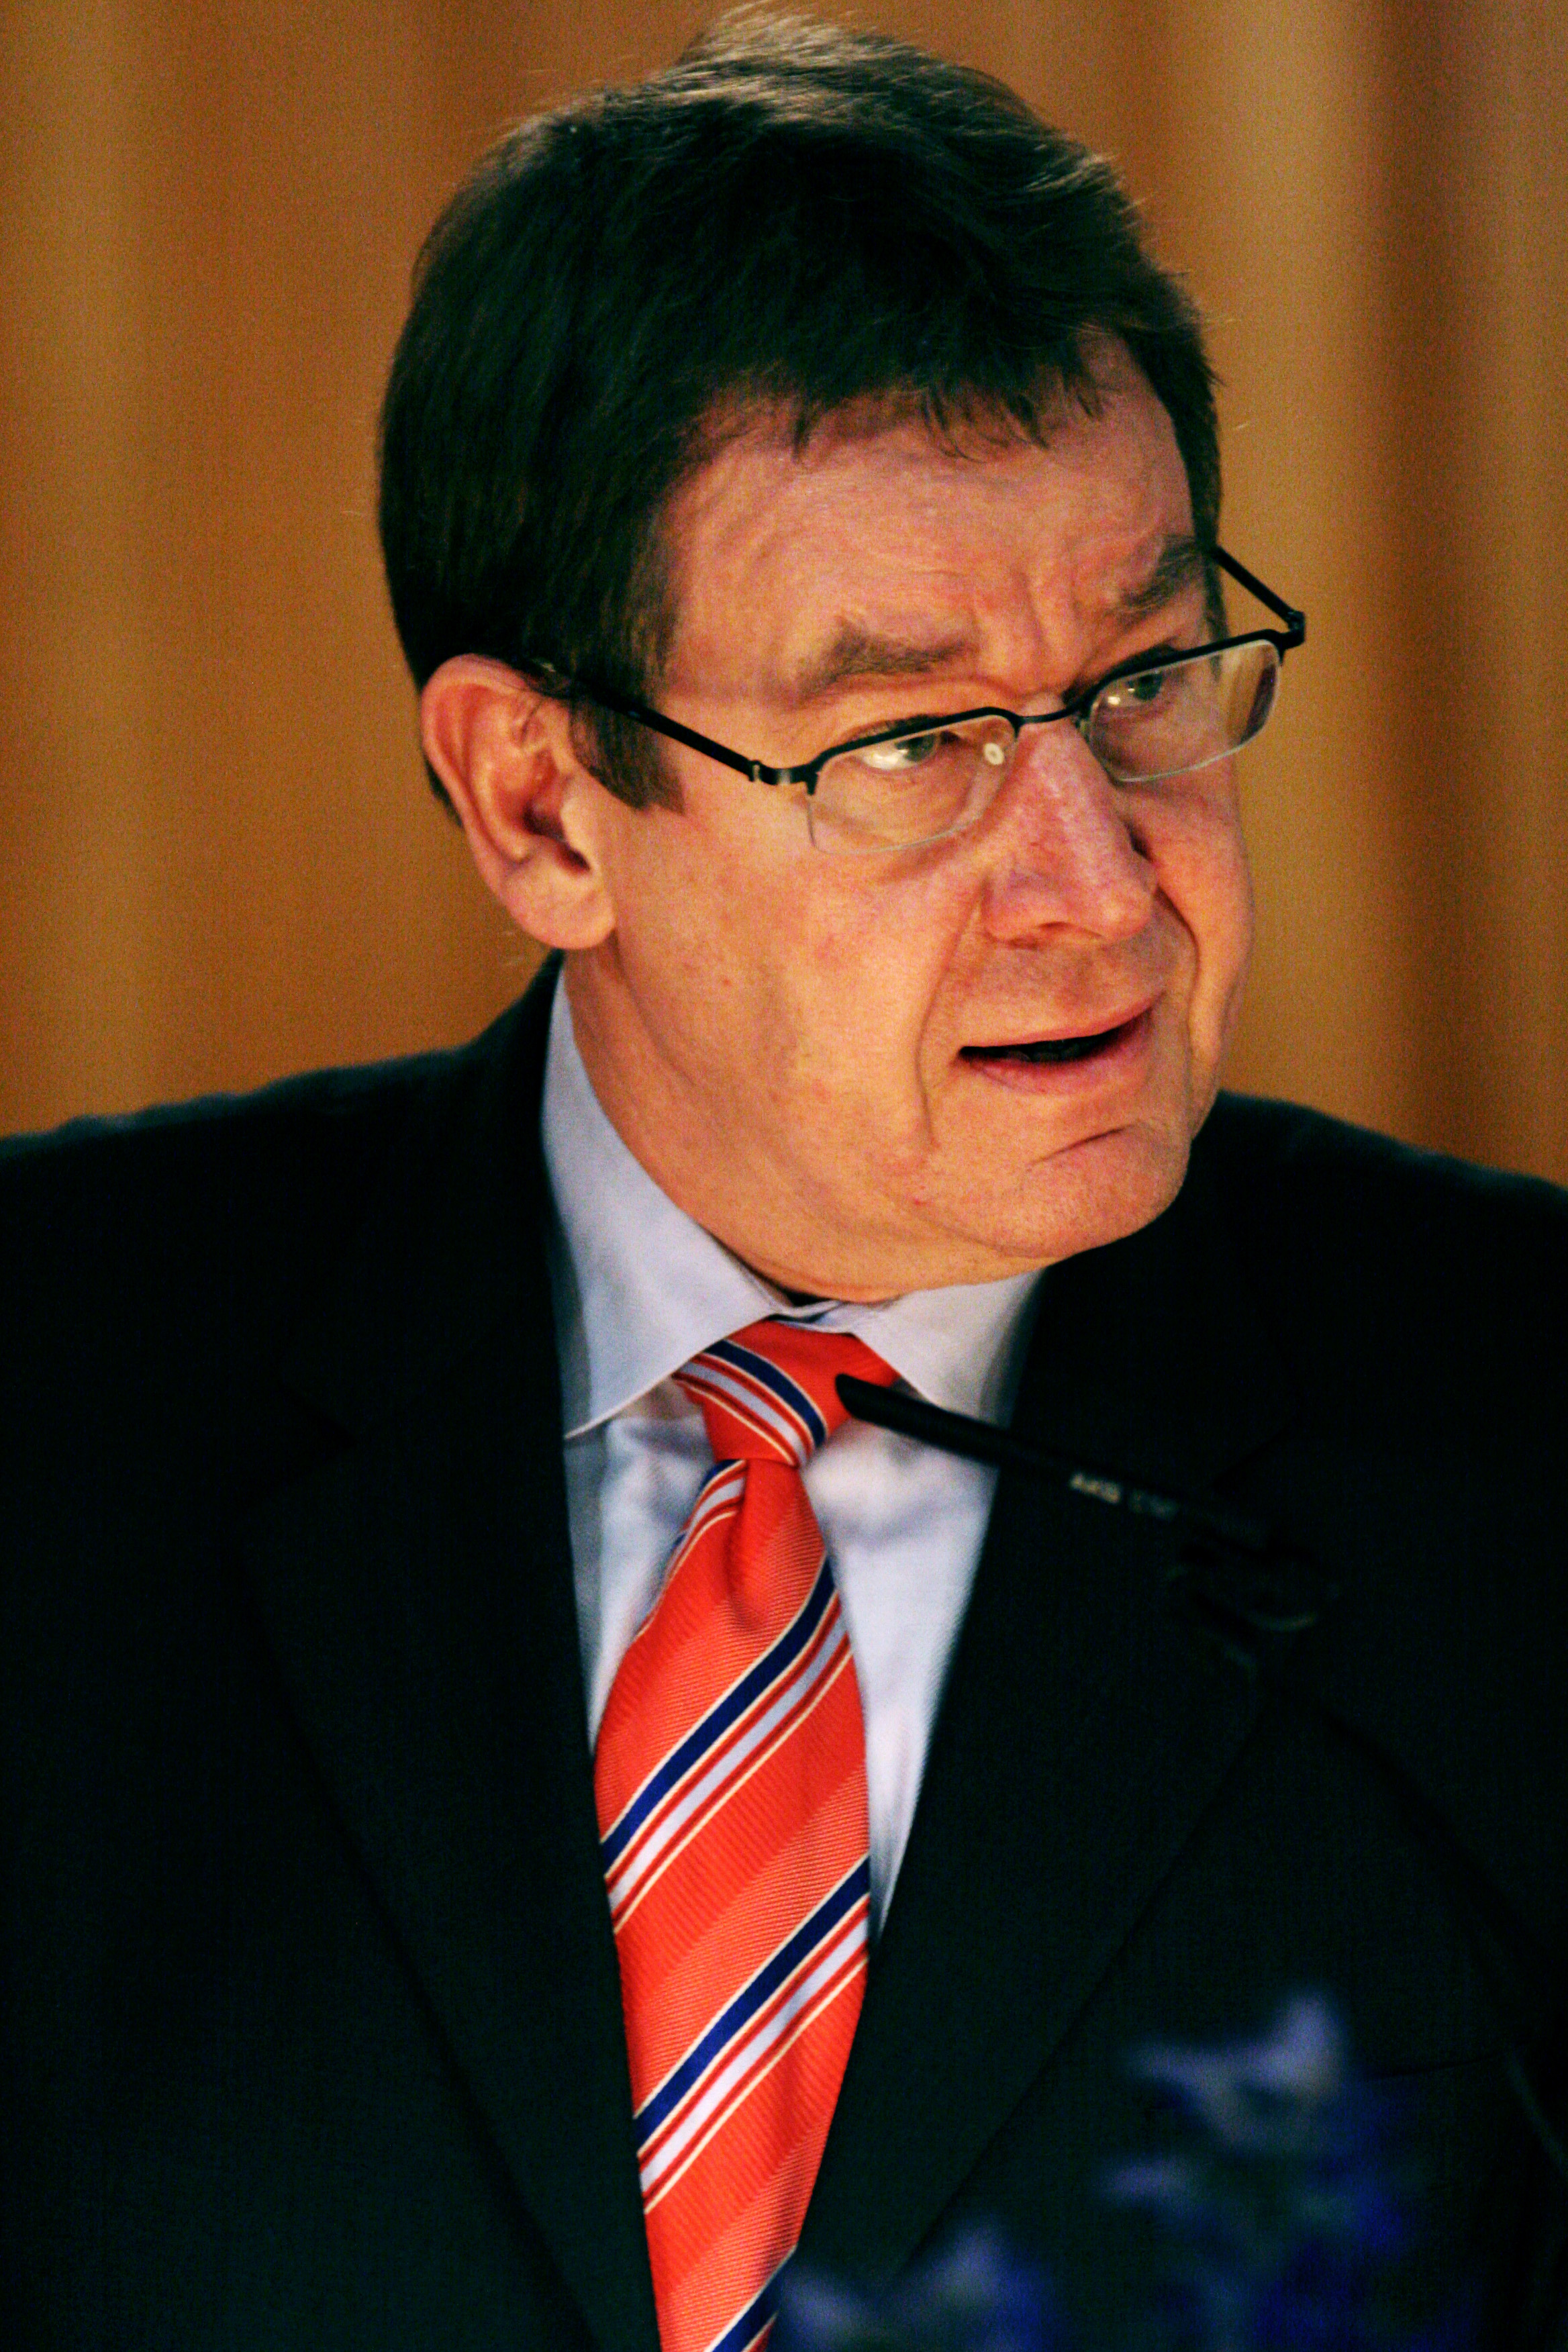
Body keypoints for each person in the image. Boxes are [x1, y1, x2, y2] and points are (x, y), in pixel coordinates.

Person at [3, 13, 1566, 2348]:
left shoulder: (1529, 1421)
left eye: (1147, 683)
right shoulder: (50, 1396)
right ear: (541, 805)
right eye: (912, 743)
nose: (1102, 886)